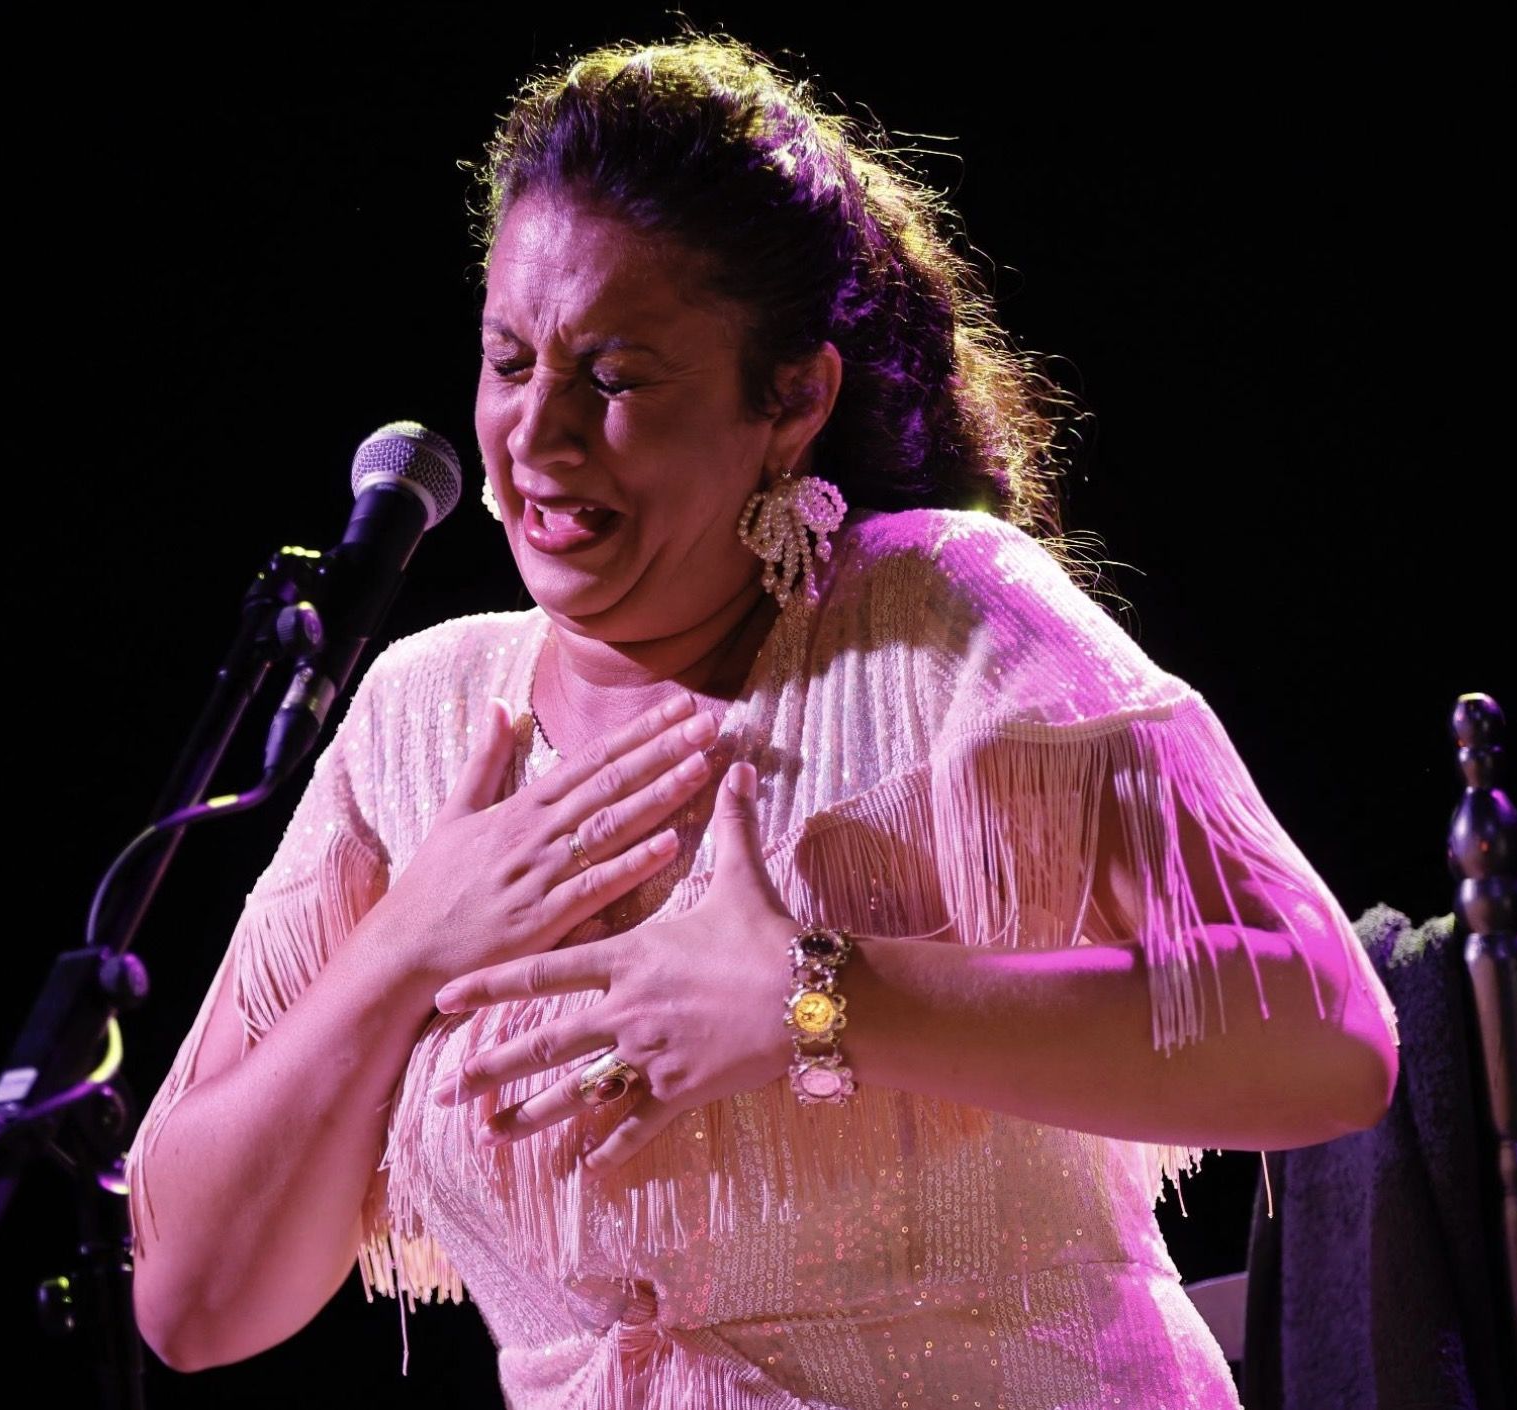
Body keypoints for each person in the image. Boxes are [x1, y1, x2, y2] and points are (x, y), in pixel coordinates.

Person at [125, 34, 1400, 1409]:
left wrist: (819, 998)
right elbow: (191, 1303)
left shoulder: (943, 620)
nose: (537, 438)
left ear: (789, 399)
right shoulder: (418, 722)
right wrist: (405, 946)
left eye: (612, 378)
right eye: (508, 362)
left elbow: (1328, 1036)